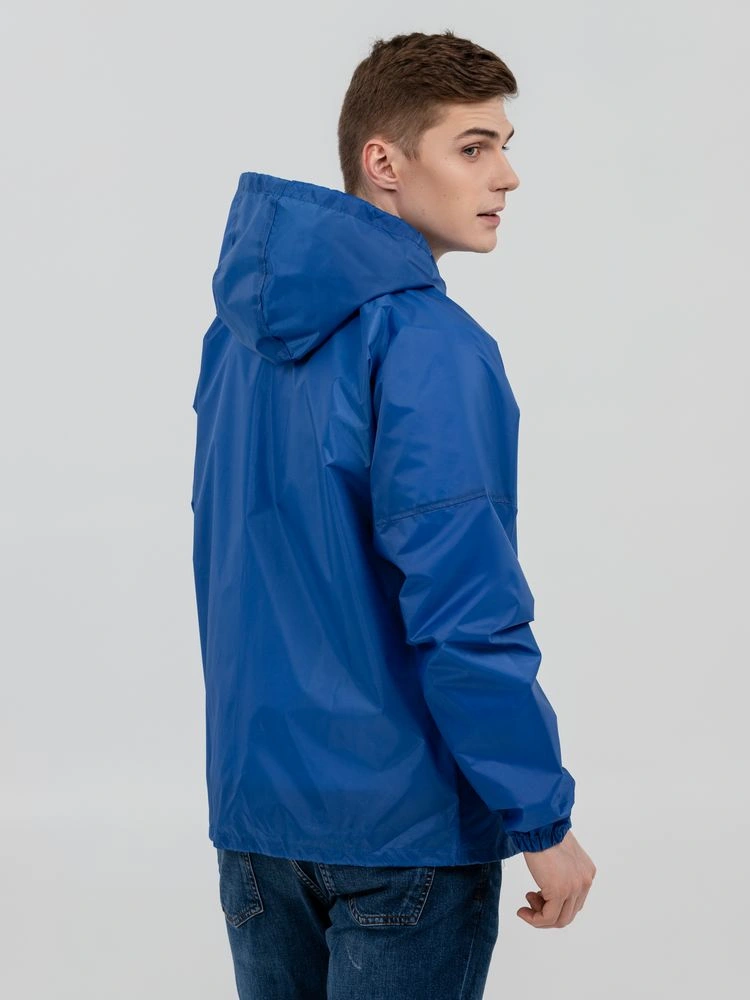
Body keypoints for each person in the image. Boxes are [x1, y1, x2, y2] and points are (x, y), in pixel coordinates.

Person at [191, 28, 596, 1000]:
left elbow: (230, 566)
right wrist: (541, 818)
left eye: (503, 145)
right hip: (404, 833)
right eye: (473, 147)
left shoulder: (235, 342)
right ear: (385, 162)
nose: (506, 175)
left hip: (257, 822)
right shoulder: (431, 344)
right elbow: (463, 607)